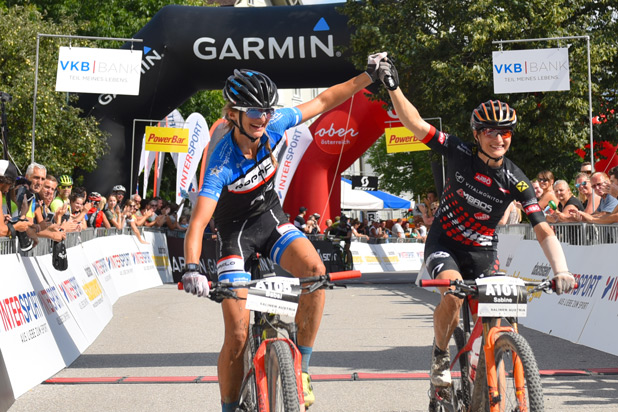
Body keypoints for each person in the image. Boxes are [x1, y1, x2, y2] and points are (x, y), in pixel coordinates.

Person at [182, 63, 376, 411]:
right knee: (238, 335)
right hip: (234, 238)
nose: (263, 118)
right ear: (233, 113)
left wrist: (368, 77)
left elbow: (326, 99)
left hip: (271, 221)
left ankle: (301, 367)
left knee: (315, 273)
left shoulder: (276, 123)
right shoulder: (220, 161)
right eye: (254, 111)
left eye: (267, 110)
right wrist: (193, 268)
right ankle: (228, 405)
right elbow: (198, 223)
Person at [375, 56, 575, 389]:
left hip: (483, 252)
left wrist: (561, 270)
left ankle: (491, 377)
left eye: (505, 133)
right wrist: (393, 87)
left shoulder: (516, 179)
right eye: (490, 132)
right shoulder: (458, 152)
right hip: (445, 245)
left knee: (505, 315)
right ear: (477, 134)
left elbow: (542, 228)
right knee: (452, 295)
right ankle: (440, 354)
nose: (498, 139)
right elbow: (414, 123)